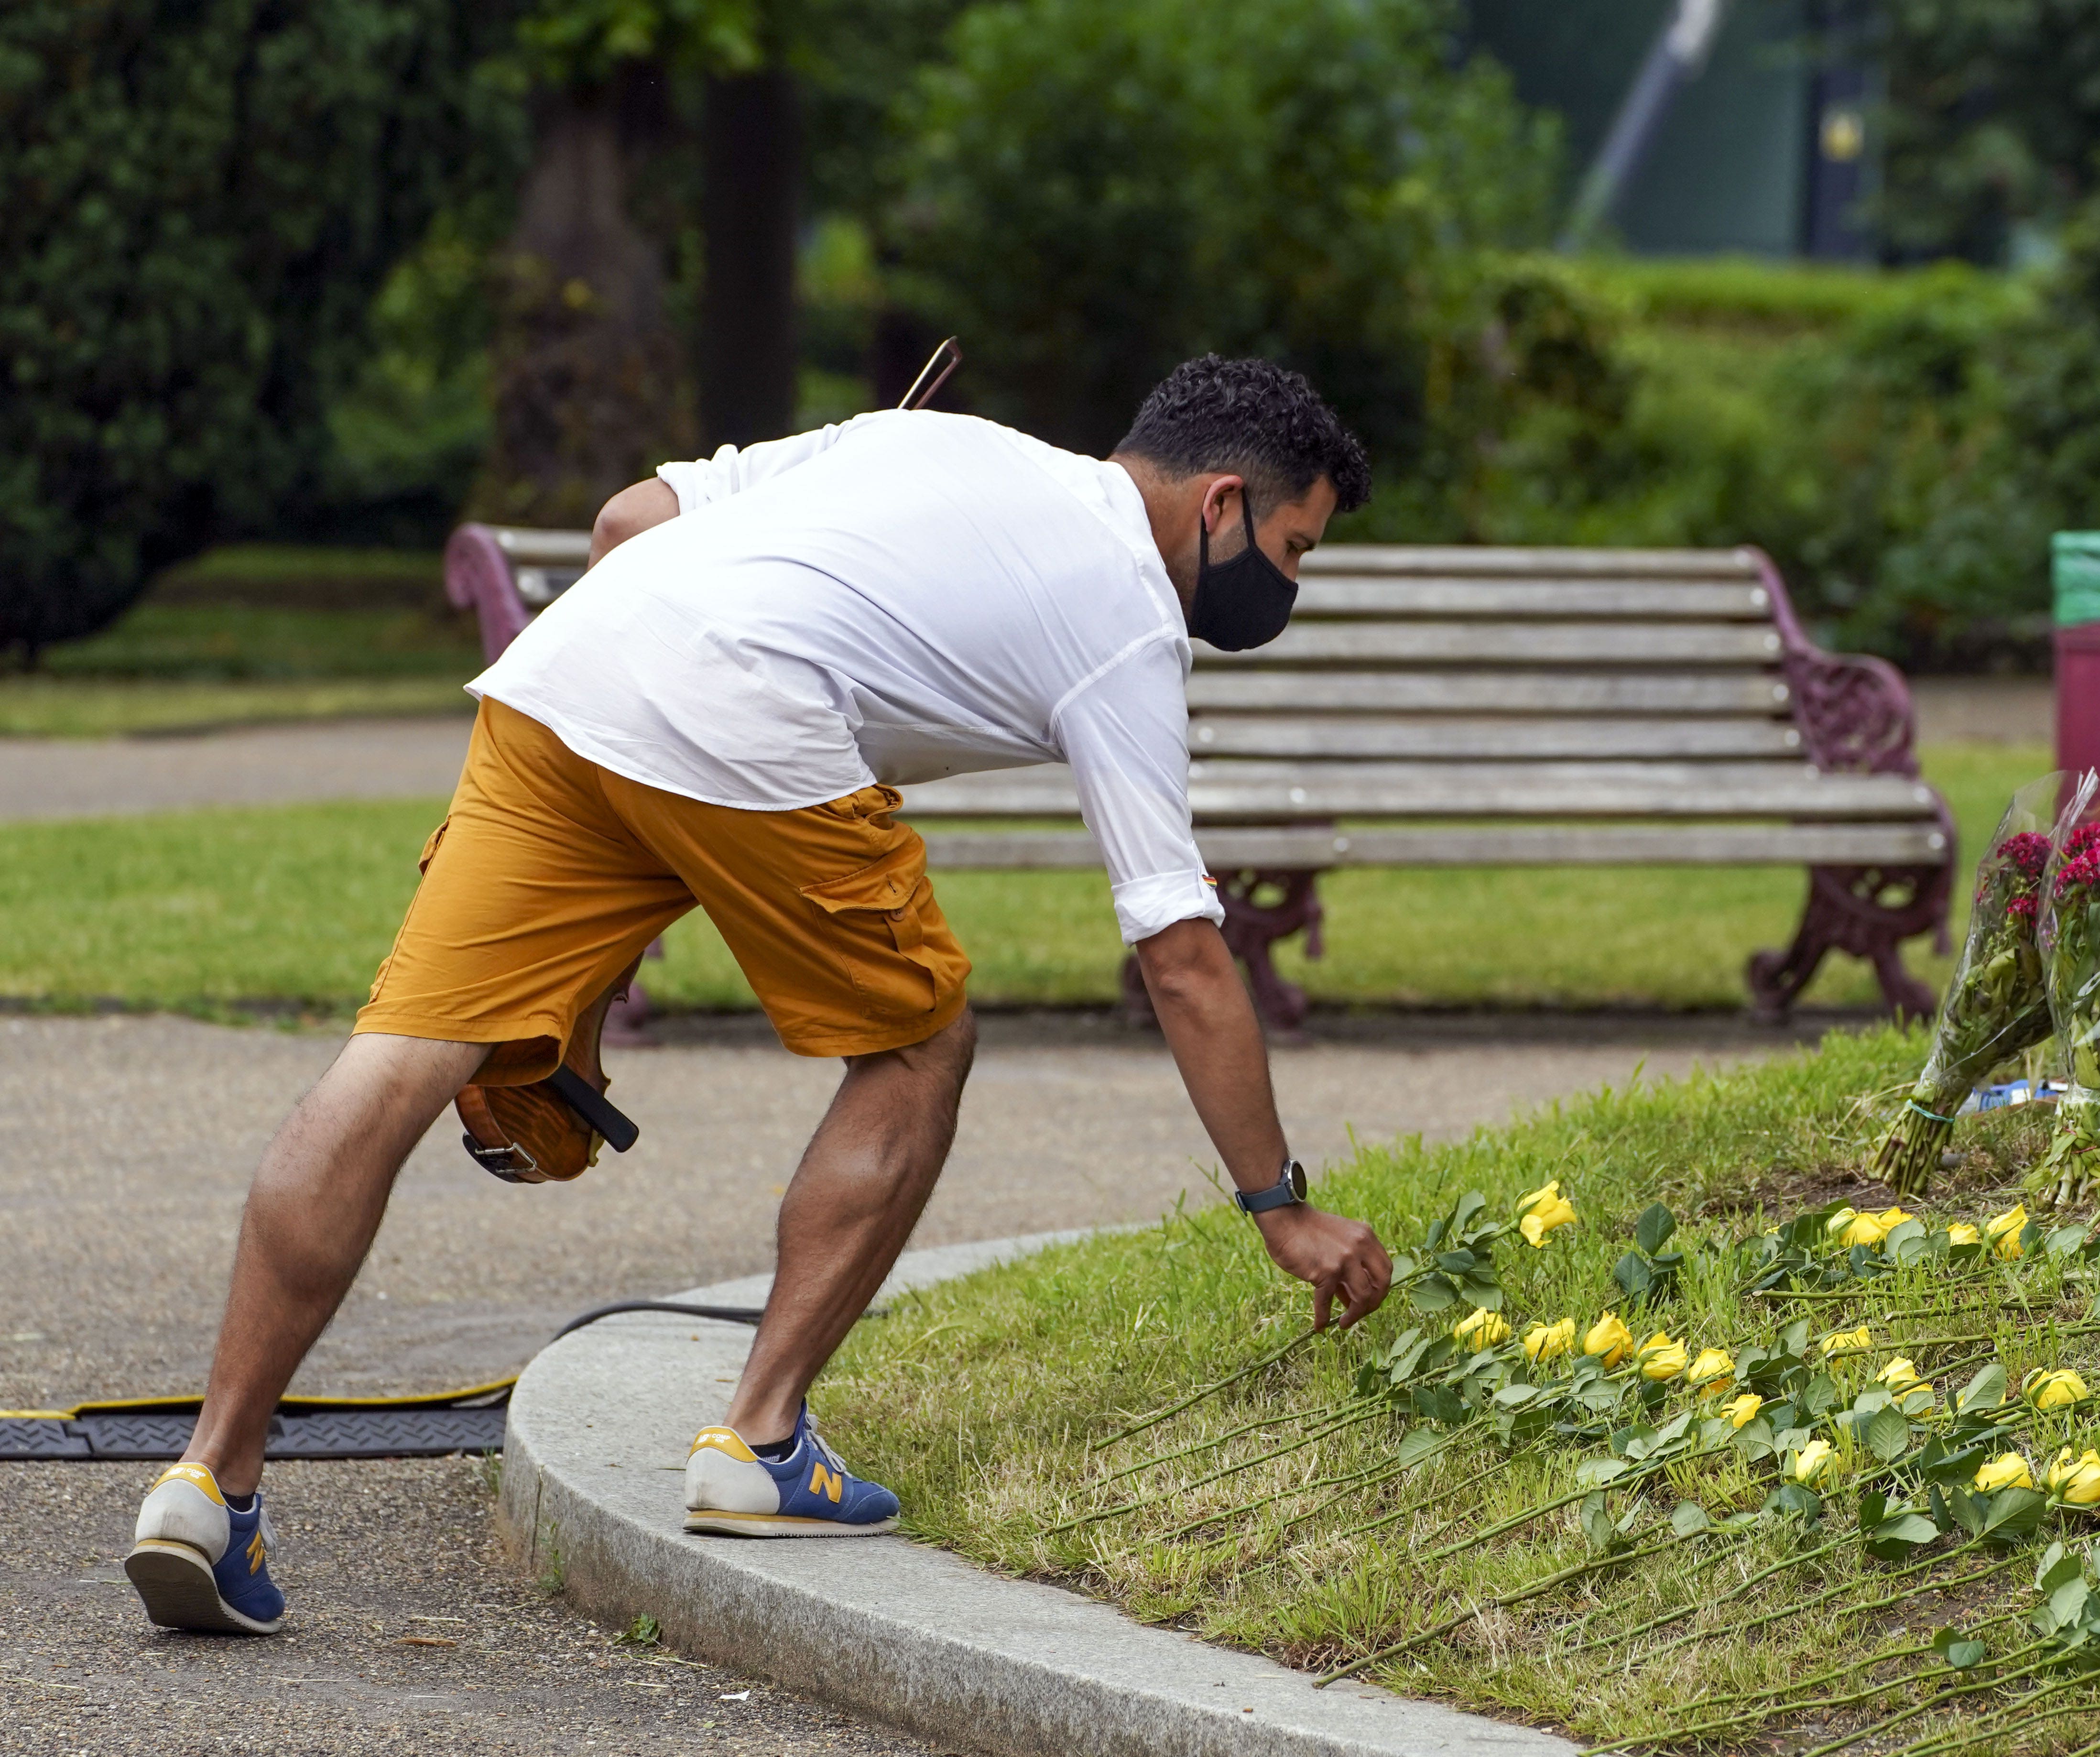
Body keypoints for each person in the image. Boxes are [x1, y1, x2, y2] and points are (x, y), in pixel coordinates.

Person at [124, 355, 1396, 1636]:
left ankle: (207, 1479)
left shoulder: (931, 442)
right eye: (1294, 548)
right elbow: (1180, 949)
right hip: (752, 713)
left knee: (397, 1056)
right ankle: (762, 1439)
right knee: (919, 1050)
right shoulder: (1126, 611)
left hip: (564, 676)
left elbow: (628, 520)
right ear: (1221, 503)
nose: (1285, 584)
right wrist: (1276, 1205)